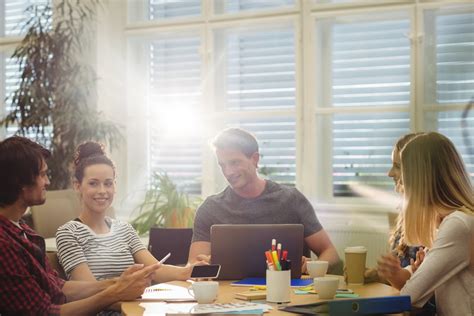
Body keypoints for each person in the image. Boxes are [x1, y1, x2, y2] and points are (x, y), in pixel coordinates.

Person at [0, 136, 160, 315]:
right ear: (20, 181)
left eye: (108, 183)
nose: (48, 182)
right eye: (43, 174)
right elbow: (46, 313)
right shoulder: (4, 244)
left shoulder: (24, 232)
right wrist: (115, 292)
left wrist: (118, 283)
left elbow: (58, 286)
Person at [188, 128, 341, 273]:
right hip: (229, 295)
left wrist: (313, 266)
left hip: (288, 293)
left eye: (234, 162)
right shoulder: (210, 208)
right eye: (223, 165)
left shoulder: (291, 199)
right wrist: (203, 266)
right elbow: (194, 266)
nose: (228, 172)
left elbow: (330, 253)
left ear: (255, 159)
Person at [56, 141, 197, 282]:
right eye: (93, 183)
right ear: (77, 185)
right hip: (107, 304)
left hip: (136, 302)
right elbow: (87, 288)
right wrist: (125, 284)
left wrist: (188, 271)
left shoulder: (125, 229)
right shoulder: (68, 233)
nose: (102, 191)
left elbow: (156, 270)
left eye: (108, 183)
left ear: (114, 186)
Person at [378, 132, 473, 316]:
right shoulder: (453, 222)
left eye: (403, 172)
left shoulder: (458, 225)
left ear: (420, 180)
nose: (401, 181)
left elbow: (409, 297)